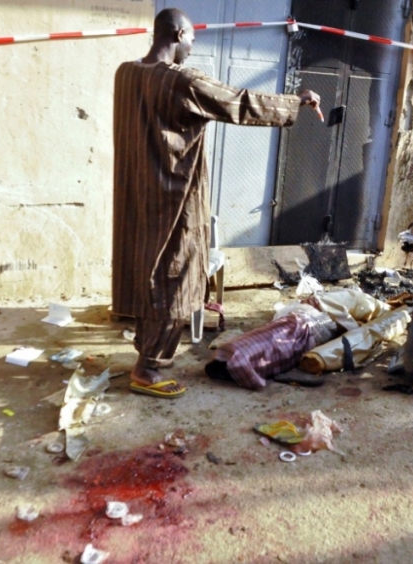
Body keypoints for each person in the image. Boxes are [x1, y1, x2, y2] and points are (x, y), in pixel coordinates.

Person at [112, 7, 321, 398]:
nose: (192, 48)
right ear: (177, 34)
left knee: (147, 272)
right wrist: (296, 101)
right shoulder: (181, 82)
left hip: (134, 197)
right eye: (191, 39)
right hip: (172, 197)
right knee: (174, 277)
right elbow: (239, 102)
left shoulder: (125, 74)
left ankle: (147, 351)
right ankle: (147, 370)